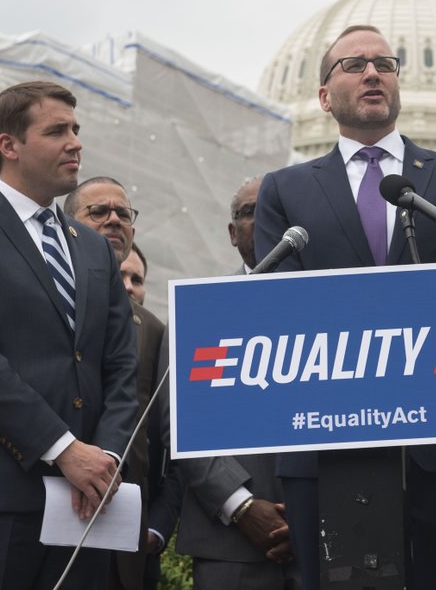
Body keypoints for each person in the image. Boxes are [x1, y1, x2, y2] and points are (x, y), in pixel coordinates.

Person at [255, 24, 436, 590]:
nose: (373, 72)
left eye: (385, 63)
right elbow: (277, 312)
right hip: (325, 442)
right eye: (353, 65)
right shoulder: (284, 189)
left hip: (434, 444)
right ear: (325, 97)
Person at [0, 81, 139, 590]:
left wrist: (103, 459)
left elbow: (121, 367)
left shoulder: (94, 250)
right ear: (9, 146)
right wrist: (64, 449)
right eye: (57, 130)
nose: (75, 142)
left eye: (77, 130)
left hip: (88, 505)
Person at [171, 176, 298, 590]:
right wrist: (242, 507)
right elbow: (181, 422)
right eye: (250, 212)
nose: (263, 221)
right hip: (232, 544)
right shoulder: (202, 310)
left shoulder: (338, 307)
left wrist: (314, 513)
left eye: (275, 211)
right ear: (231, 233)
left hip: (328, 541)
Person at [63, 177, 178, 590]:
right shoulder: (42, 298)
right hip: (43, 513)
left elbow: (168, 439)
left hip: (122, 535)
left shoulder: (154, 329)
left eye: (124, 214)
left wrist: (158, 525)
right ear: (65, 224)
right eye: (98, 212)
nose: (114, 219)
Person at [228, 176, 263, 273]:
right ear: (233, 234)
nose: (261, 220)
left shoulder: (307, 282)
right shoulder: (221, 288)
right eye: (249, 211)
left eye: (271, 211)